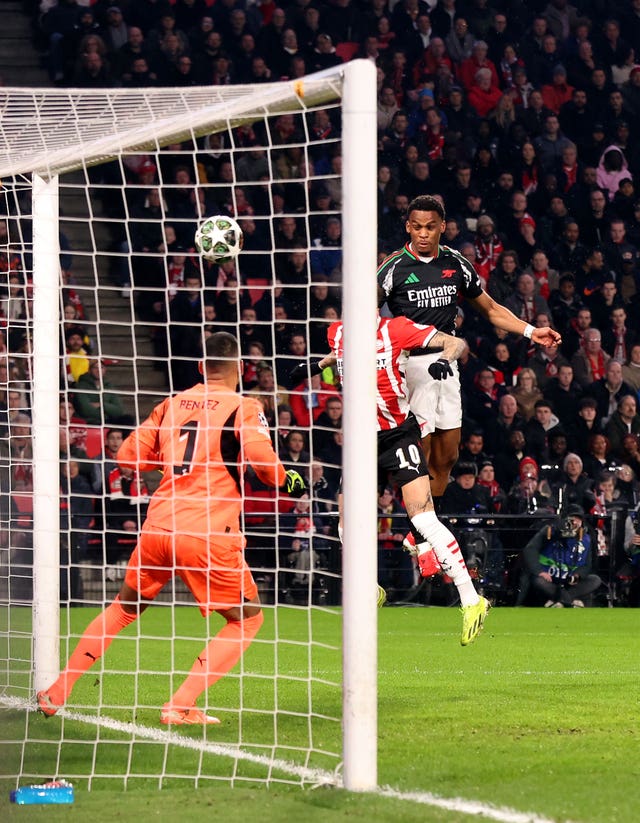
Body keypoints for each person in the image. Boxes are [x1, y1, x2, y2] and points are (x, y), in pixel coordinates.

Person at [37, 333, 306, 725]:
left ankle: (58, 690)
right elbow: (263, 463)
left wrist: (171, 466)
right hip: (208, 532)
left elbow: (127, 457)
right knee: (247, 619)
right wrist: (286, 479)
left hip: (159, 526)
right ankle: (179, 704)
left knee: (122, 609)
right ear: (241, 369)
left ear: (200, 366)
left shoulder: (170, 405)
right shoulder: (245, 407)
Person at [308, 313, 490, 645]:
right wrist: (318, 366)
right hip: (361, 441)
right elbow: (339, 354)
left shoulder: (396, 328)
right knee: (345, 519)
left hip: (396, 436)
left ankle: (471, 598)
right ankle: (369, 587)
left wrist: (444, 361)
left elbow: (454, 342)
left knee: (423, 517)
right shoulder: (336, 332)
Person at [377, 194, 561, 505]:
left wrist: (531, 331)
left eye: (430, 227)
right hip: (408, 366)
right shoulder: (393, 267)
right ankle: (414, 524)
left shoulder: (455, 263)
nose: (423, 233)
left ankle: (425, 521)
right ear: (408, 227)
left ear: (443, 227)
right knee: (416, 454)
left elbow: (490, 308)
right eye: (417, 227)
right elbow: (364, 317)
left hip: (446, 364)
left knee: (447, 454)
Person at [522, 504, 602, 607]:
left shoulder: (586, 539)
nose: (575, 523)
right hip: (549, 577)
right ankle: (569, 601)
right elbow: (530, 550)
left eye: (578, 520)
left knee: (595, 580)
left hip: (569, 581)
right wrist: (540, 571)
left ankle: (559, 601)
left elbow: (587, 565)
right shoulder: (549, 531)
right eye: (572, 519)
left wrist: (577, 575)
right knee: (539, 581)